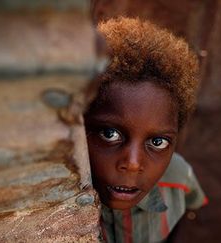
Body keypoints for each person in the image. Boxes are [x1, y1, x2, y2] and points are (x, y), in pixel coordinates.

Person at [84, 17, 208, 243]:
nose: (132, 163)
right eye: (110, 134)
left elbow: (184, 215)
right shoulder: (57, 197)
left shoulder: (178, 177)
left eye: (158, 142)